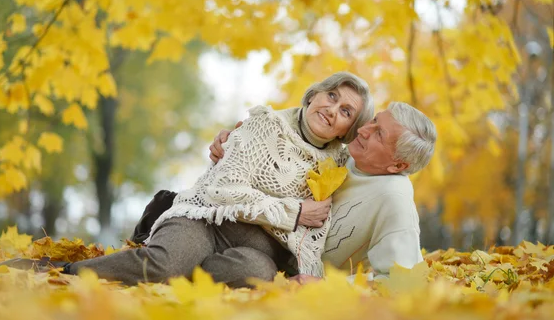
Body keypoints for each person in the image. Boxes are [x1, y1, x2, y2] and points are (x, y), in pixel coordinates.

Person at [0, 72, 374, 287]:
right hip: (206, 220)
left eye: (345, 111)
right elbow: (219, 190)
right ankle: (62, 271)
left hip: (257, 249)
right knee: (164, 265)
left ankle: (179, 267)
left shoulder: (339, 163)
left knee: (255, 273)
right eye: (330, 95)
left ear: (347, 129)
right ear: (312, 96)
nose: (331, 109)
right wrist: (292, 211)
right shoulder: (264, 125)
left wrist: (310, 277)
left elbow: (315, 233)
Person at [133, 101, 437, 283]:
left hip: (277, 262)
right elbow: (279, 141)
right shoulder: (345, 155)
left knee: (246, 268)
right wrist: (234, 139)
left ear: (398, 165)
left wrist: (329, 287)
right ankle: (169, 219)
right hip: (254, 230)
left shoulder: (394, 200)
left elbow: (405, 283)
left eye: (379, 134)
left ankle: (171, 247)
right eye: (373, 121)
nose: (364, 130)